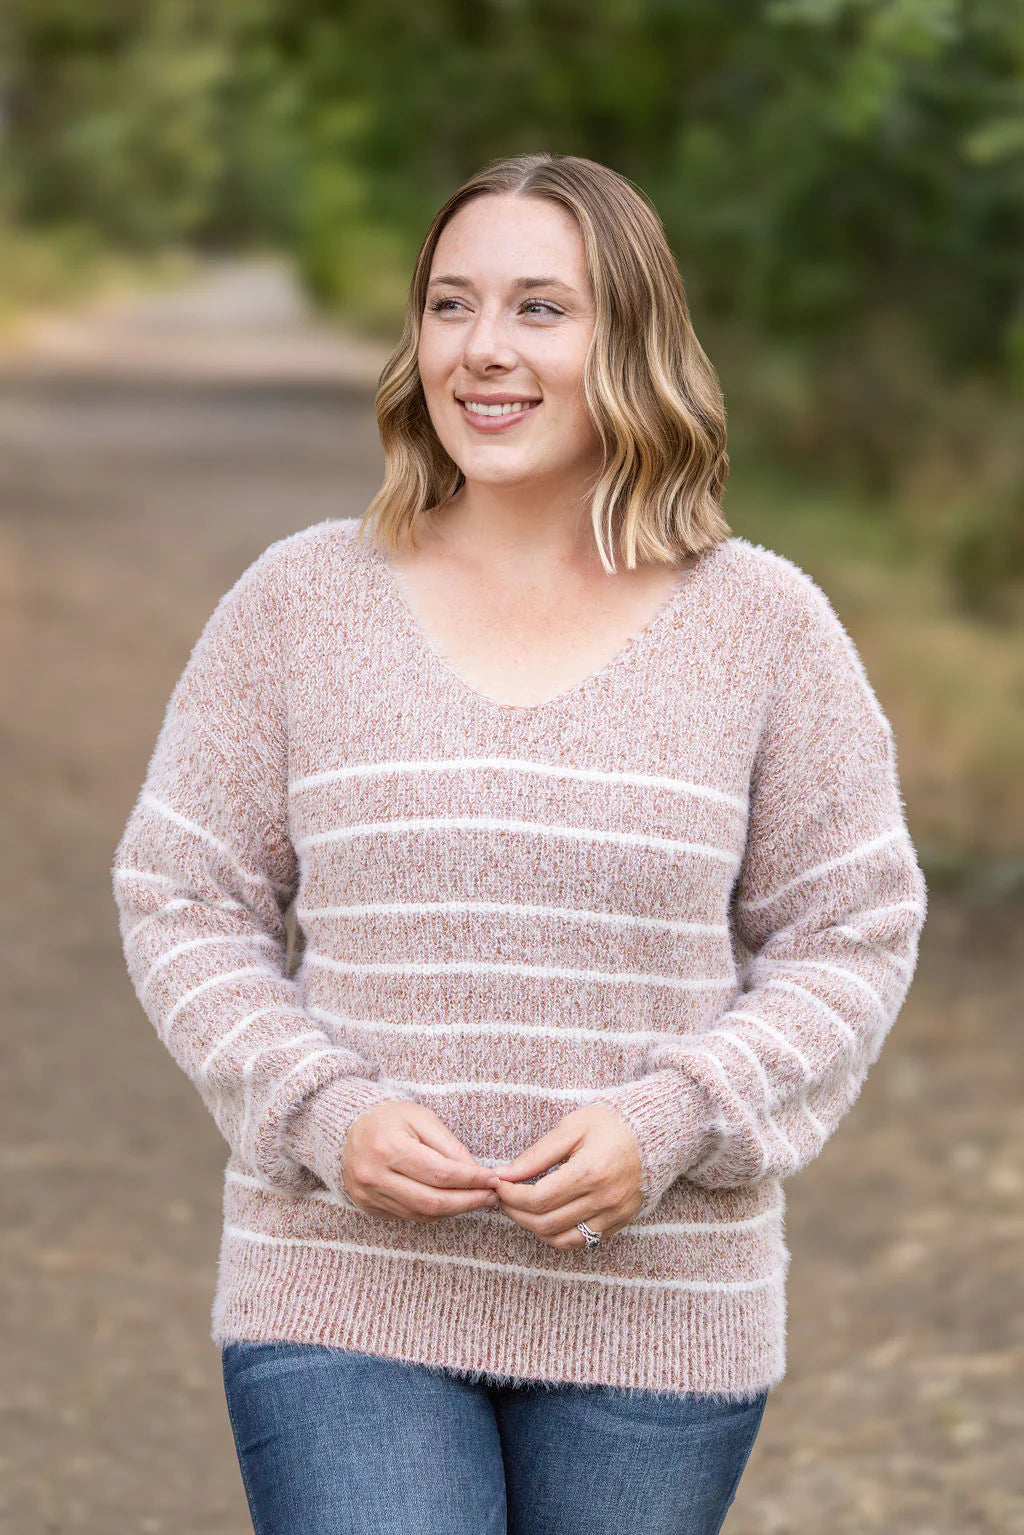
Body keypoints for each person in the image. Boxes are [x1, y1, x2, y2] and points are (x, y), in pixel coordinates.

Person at [112, 152, 928, 1534]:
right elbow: (184, 895)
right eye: (450, 305)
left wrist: (671, 1121)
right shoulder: (301, 605)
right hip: (343, 1292)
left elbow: (851, 931)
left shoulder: (765, 627)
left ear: (633, 340)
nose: (482, 351)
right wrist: (324, 1109)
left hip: (661, 1320)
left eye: (541, 309)